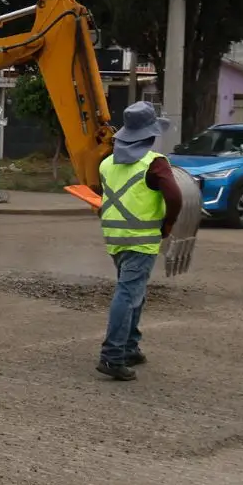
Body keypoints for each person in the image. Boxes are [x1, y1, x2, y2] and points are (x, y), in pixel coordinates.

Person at [97, 101, 183, 381]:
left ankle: (130, 346)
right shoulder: (155, 163)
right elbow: (174, 196)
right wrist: (168, 223)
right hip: (142, 239)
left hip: (115, 238)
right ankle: (112, 356)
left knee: (135, 292)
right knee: (127, 293)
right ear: (149, 135)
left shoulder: (107, 163)